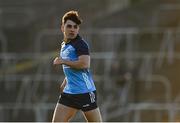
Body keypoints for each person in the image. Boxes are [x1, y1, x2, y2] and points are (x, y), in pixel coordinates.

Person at [52, 10, 102, 122]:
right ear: (62, 28)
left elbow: (84, 64)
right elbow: (72, 67)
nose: (72, 29)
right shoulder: (64, 44)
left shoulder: (80, 44)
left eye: (75, 27)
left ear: (78, 29)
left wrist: (63, 61)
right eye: (69, 26)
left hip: (85, 92)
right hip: (69, 93)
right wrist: (66, 81)